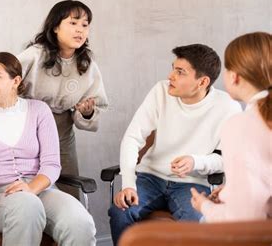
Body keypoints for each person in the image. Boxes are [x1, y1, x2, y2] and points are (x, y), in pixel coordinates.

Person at [109, 44, 242, 245]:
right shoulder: (160, 91)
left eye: (180, 72)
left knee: (194, 221)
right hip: (149, 178)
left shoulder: (228, 107)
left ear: (202, 82)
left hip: (192, 184)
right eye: (173, 68)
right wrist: (128, 184)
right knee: (121, 212)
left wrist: (195, 162)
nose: (171, 76)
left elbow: (226, 158)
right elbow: (132, 138)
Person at [0, 52, 96, 246]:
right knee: (27, 206)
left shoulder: (39, 110)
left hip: (41, 189)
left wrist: (31, 188)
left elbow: (51, 164)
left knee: (80, 222)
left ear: (15, 81)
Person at [17, 0, 108, 198]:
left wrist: (87, 112)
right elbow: (6, 82)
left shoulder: (87, 64)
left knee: (69, 191)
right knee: (28, 187)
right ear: (56, 26)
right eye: (73, 23)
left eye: (85, 25)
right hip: (26, 129)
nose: (80, 30)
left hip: (62, 133)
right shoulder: (34, 55)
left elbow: (96, 107)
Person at [191, 32, 272, 221]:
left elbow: (244, 220)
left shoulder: (239, 126)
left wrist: (205, 206)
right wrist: (231, 191)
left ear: (234, 76)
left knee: (202, 221)